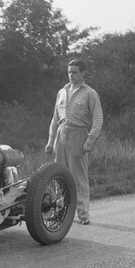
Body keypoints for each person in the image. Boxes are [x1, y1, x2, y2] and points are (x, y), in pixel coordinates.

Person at [44, 59, 103, 225]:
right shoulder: (62, 92)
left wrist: (89, 141)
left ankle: (83, 215)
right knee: (59, 175)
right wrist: (50, 141)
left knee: (78, 177)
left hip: (79, 134)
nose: (71, 75)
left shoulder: (90, 93)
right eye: (69, 72)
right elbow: (55, 118)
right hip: (61, 134)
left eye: (75, 72)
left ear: (83, 73)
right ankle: (59, 211)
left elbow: (98, 120)